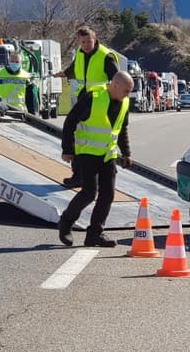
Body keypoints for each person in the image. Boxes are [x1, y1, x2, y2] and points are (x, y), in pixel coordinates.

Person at [57, 71, 134, 248]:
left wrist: (127, 153)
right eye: (126, 90)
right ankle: (66, 222)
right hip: (87, 153)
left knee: (108, 194)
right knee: (89, 193)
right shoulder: (93, 97)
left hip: (108, 154)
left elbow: (121, 129)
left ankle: (95, 234)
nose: (128, 95)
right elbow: (70, 121)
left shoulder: (124, 102)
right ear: (114, 86)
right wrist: (67, 150)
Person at [54, 26, 120, 188]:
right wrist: (64, 73)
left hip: (100, 102)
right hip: (84, 100)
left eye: (88, 42)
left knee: (98, 140)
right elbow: (75, 68)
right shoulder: (80, 53)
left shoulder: (105, 56)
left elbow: (117, 79)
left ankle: (104, 172)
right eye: (82, 42)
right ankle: (79, 176)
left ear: (95, 39)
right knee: (80, 139)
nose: (85, 45)